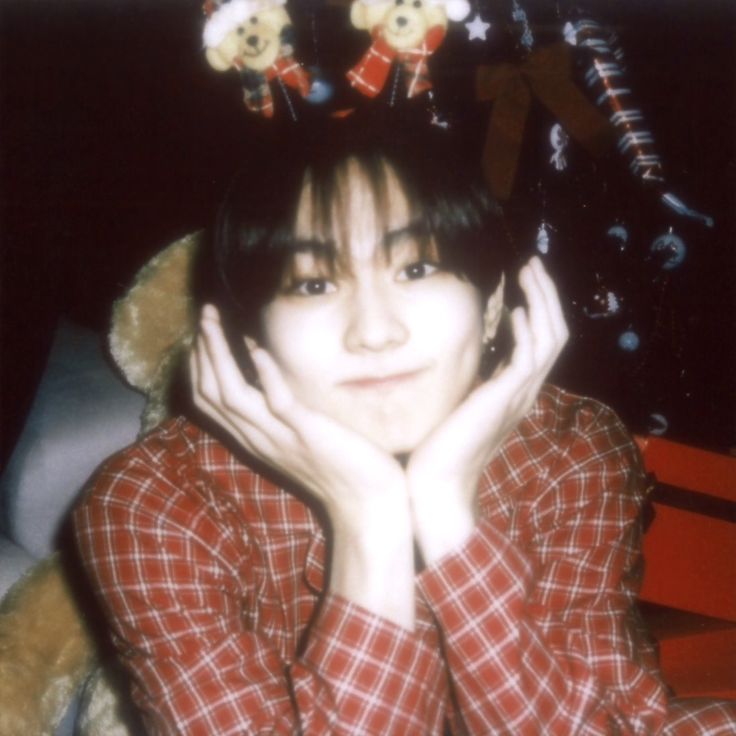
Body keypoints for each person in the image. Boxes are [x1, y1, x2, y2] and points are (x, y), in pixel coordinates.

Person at [74, 118, 735, 734]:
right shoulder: (157, 502)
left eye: (417, 268)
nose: (375, 331)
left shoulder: (569, 450)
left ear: (492, 305)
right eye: (312, 284)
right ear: (252, 334)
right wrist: (370, 518)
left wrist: (447, 510)